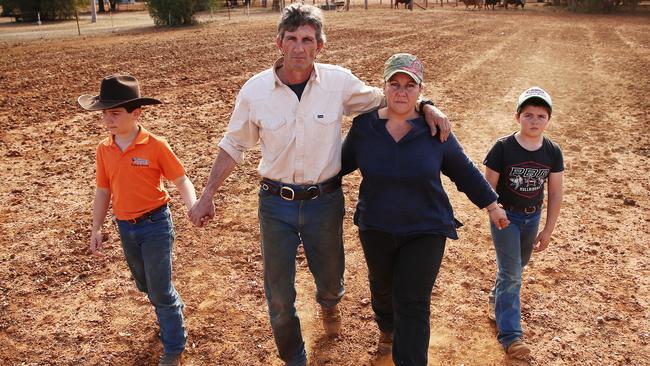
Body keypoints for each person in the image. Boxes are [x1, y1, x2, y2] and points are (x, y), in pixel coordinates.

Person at [187, 4, 451, 366]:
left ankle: (329, 303)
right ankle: (295, 357)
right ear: (279, 42)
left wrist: (428, 105)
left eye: (307, 39)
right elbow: (233, 144)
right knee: (278, 297)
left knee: (330, 278)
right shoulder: (255, 91)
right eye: (291, 38)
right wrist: (207, 194)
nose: (299, 47)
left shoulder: (338, 83)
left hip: (324, 202)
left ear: (320, 46)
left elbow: (389, 98)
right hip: (275, 204)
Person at [340, 53, 510, 366]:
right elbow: (336, 166)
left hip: (426, 227)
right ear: (384, 87)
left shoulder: (435, 130)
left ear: (420, 90)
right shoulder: (364, 127)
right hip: (376, 225)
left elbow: (463, 170)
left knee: (413, 301)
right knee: (382, 286)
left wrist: (492, 205)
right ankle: (387, 327)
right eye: (395, 84)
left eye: (409, 85)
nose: (401, 92)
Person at [80, 74, 198, 366]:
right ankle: (172, 307)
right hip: (125, 227)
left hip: (156, 224)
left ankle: (174, 345)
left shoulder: (156, 145)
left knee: (159, 289)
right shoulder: (104, 149)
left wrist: (193, 205)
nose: (108, 119)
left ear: (136, 114)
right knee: (146, 285)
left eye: (115, 113)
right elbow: (103, 189)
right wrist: (96, 228)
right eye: (105, 113)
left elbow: (181, 179)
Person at [483, 86, 564, 358]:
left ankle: (496, 300)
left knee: (518, 265)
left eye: (541, 116)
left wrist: (548, 229)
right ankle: (511, 336)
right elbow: (487, 186)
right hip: (506, 216)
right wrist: (495, 211)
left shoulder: (552, 151)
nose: (535, 121)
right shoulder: (503, 147)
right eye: (528, 114)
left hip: (532, 217)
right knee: (512, 273)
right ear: (518, 117)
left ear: (548, 120)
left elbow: (554, 192)